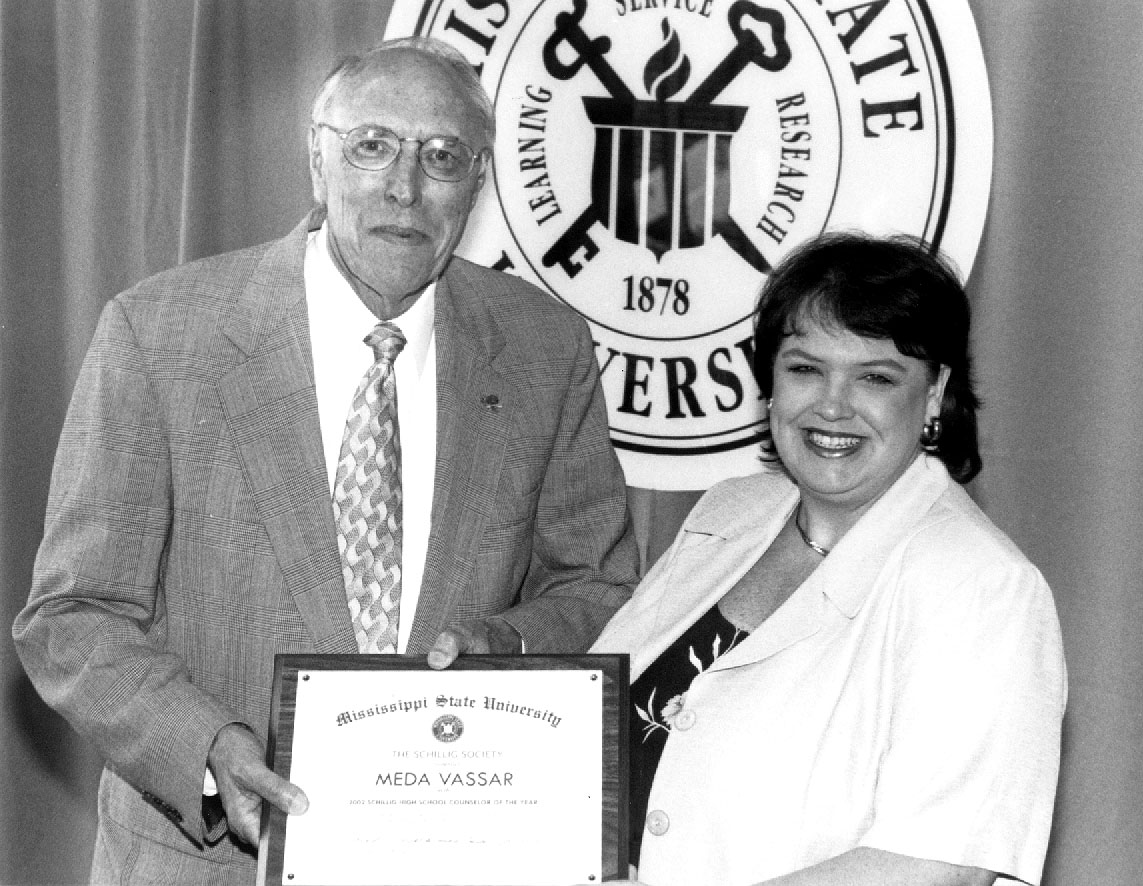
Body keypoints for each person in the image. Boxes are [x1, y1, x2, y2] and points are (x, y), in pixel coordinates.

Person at [13, 36, 638, 884]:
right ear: (317, 158)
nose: (404, 187)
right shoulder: (160, 334)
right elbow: (73, 614)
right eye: (372, 145)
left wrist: (508, 644)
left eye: (443, 156)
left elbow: (596, 591)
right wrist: (206, 748)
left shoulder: (544, 349)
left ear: (480, 183)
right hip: (207, 864)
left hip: (459, 856)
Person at [590, 232, 1066, 886]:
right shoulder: (725, 513)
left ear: (932, 395)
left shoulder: (983, 588)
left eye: (874, 376)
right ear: (769, 382)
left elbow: (935, 867)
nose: (831, 405)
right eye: (805, 368)